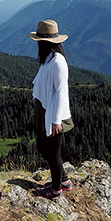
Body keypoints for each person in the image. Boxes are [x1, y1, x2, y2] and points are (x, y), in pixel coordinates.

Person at [29, 19, 73, 199]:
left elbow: (62, 92)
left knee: (53, 151)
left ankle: (56, 190)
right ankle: (63, 180)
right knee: (43, 147)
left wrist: (56, 121)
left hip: (54, 113)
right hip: (44, 109)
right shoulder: (49, 58)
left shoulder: (58, 62)